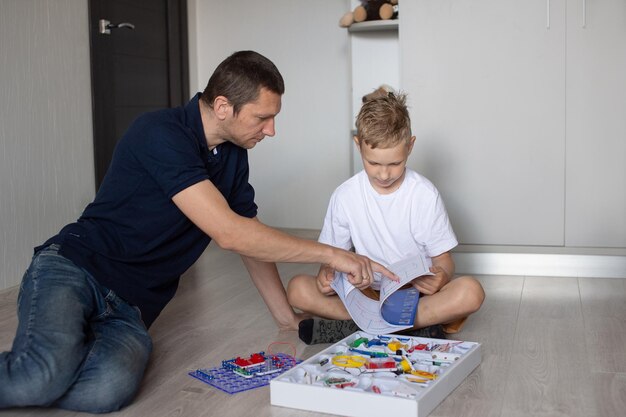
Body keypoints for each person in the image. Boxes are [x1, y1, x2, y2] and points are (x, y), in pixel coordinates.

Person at [0, 51, 395, 413]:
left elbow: (249, 233)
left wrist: (286, 318)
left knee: (106, 391)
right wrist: (331, 253)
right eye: (262, 117)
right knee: (39, 378)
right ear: (223, 106)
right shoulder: (159, 132)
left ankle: (49, 359)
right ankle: (42, 367)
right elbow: (230, 233)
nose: (271, 130)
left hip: (130, 307)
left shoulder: (234, 158)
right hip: (74, 269)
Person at [287, 90, 485, 345]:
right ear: (358, 145)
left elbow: (444, 261)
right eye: (373, 163)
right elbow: (332, 258)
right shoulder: (345, 196)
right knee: (297, 289)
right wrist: (326, 276)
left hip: (415, 297)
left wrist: (441, 278)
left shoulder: (423, 194)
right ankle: (408, 328)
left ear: (410, 146)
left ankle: (361, 327)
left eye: (394, 164)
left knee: (470, 292)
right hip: (367, 295)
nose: (383, 174)